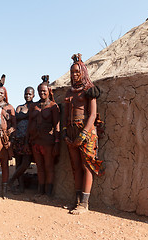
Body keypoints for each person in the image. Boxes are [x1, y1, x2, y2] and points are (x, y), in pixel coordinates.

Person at [63, 53, 104, 215]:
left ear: (83, 72)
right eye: (72, 72)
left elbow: (93, 115)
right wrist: (66, 133)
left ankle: (84, 204)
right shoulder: (69, 93)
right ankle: (78, 199)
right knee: (76, 167)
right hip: (71, 131)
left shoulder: (89, 91)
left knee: (87, 166)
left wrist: (83, 135)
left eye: (77, 71)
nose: (74, 74)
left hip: (86, 132)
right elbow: (66, 116)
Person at [26, 75, 60, 196]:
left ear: (49, 91)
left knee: (49, 166)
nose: (42, 93)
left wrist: (57, 142)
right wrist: (27, 141)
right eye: (40, 91)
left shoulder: (53, 106)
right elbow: (29, 124)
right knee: (39, 167)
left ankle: (49, 192)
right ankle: (40, 191)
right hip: (35, 140)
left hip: (48, 141)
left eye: (44, 91)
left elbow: (57, 125)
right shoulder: (33, 106)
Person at [8, 87, 35, 193]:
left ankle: (11, 180)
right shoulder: (20, 107)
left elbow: (19, 116)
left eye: (30, 94)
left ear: (33, 95)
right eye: (26, 94)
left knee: (26, 163)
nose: (27, 96)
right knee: (18, 163)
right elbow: (16, 117)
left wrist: (21, 116)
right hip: (18, 137)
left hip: (28, 139)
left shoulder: (35, 106)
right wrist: (26, 116)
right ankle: (21, 186)